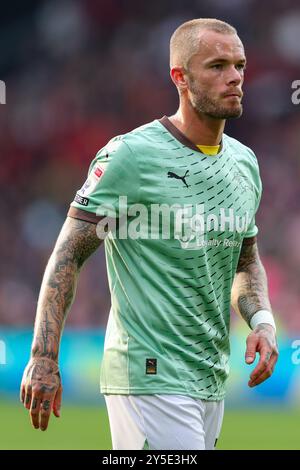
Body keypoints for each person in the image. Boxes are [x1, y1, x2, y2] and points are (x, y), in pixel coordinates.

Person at [20, 18, 279, 450]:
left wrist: (263, 322)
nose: (234, 77)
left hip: (209, 375)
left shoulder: (244, 163)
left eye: (240, 65)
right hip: (148, 373)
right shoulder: (132, 155)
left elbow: (246, 260)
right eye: (217, 66)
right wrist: (43, 357)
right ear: (180, 77)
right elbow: (67, 256)